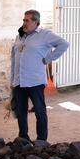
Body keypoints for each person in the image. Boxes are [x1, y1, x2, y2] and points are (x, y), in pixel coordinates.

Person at [10, 9, 69, 141]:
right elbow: (14, 58)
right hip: (19, 81)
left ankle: (41, 140)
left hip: (35, 81)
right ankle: (23, 138)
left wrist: (48, 59)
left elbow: (64, 44)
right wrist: (12, 80)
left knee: (40, 111)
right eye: (23, 20)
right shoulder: (19, 36)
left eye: (27, 20)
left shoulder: (45, 35)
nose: (24, 23)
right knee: (21, 112)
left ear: (36, 22)